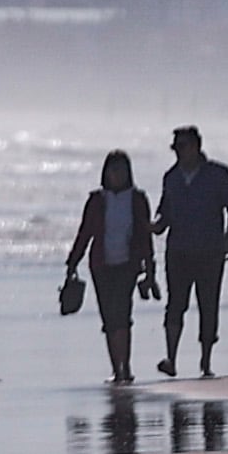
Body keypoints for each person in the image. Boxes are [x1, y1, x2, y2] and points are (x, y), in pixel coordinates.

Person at [156, 123, 228, 379]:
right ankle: (171, 359)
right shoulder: (171, 177)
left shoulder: (218, 174)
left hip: (210, 251)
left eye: (181, 147)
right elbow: (164, 214)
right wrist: (152, 226)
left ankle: (205, 363)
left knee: (208, 306)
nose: (177, 152)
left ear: (196, 147)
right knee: (175, 305)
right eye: (175, 148)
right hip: (177, 251)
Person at [60, 150, 157, 386]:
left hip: (128, 264)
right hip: (101, 266)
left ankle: (126, 367)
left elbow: (145, 236)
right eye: (113, 170)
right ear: (106, 173)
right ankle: (117, 368)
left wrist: (150, 269)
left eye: (122, 170)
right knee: (109, 318)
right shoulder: (97, 200)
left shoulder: (137, 199)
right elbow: (85, 233)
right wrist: (73, 262)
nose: (117, 175)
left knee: (123, 314)